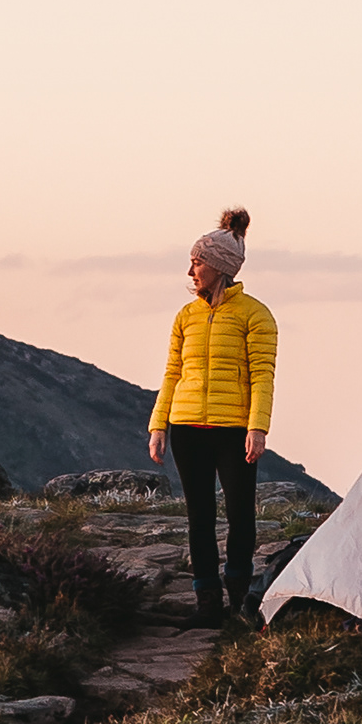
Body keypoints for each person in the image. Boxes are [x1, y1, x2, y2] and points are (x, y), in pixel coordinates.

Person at [148, 208, 278, 624]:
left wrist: (257, 428)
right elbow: (172, 373)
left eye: (198, 262)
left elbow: (263, 376)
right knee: (198, 515)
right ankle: (207, 603)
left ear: (220, 267)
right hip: (187, 427)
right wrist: (159, 425)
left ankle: (240, 597)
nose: (191, 270)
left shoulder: (255, 315)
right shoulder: (185, 317)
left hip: (232, 429)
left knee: (240, 513)